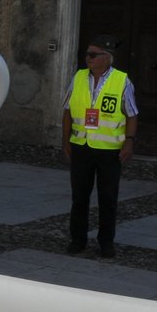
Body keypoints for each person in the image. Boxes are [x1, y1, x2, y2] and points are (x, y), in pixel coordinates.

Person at [62, 36, 138, 259]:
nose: (88, 58)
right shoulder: (78, 78)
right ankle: (78, 239)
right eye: (87, 54)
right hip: (81, 146)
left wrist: (129, 141)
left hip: (109, 149)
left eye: (93, 55)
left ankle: (106, 242)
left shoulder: (122, 81)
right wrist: (65, 141)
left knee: (107, 198)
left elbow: (132, 114)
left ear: (107, 58)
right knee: (79, 196)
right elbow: (67, 111)